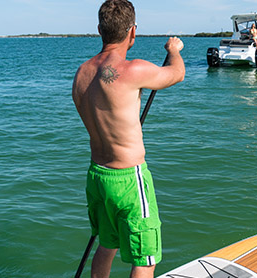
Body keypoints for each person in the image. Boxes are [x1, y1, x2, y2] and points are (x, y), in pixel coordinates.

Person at [71, 0, 185, 277]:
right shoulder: (132, 70)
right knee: (145, 259)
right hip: (128, 179)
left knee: (107, 244)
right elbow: (177, 74)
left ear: (100, 29)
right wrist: (174, 50)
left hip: (97, 176)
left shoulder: (82, 74)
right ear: (133, 31)